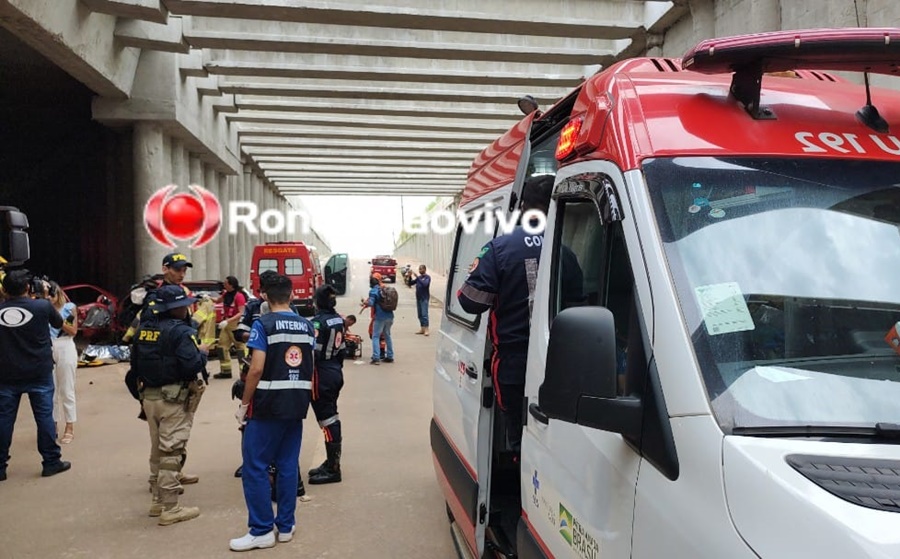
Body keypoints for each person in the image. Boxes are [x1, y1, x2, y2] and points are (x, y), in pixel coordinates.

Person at [457, 175, 554, 453]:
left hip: (514, 362)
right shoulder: (565, 249)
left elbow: (470, 302)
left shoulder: (501, 248)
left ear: (523, 207)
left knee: (518, 433)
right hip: (557, 362)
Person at [230, 274, 314, 551]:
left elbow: (256, 368)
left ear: (265, 296)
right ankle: (286, 526)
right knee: (288, 464)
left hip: (267, 405)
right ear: (291, 295)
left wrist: (244, 404)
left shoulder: (262, 324)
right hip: (297, 403)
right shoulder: (307, 326)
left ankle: (261, 530)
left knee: (255, 466)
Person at [131, 285, 209, 525]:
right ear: (176, 308)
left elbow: (134, 364)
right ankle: (171, 508)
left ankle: (156, 502)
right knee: (171, 453)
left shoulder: (143, 330)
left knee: (157, 450)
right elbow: (191, 366)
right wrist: (203, 353)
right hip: (173, 400)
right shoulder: (181, 332)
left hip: (150, 398)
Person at [0, 271, 69, 481]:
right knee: (44, 418)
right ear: (28, 288)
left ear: (4, 289)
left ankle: (0, 466)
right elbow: (58, 324)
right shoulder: (41, 306)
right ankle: (51, 462)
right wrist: (43, 296)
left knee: (3, 420)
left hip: (6, 373)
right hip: (39, 371)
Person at [307, 284, 346, 485]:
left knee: (327, 419)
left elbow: (313, 352)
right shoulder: (338, 319)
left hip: (320, 373)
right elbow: (343, 350)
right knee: (331, 414)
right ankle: (331, 462)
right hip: (335, 370)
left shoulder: (317, 323)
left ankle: (333, 468)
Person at [49, 281, 78, 444]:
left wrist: (56, 318)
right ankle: (52, 425)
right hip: (47, 346)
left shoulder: (69, 308)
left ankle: (70, 426)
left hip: (65, 344)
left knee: (67, 389)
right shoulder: (41, 308)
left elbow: (73, 331)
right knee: (50, 391)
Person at [213, 275, 248, 379]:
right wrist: (207, 298)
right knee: (221, 347)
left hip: (235, 324)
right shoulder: (225, 294)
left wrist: (228, 321)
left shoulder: (239, 296)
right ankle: (226, 371)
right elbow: (218, 301)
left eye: (225, 283)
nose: (224, 285)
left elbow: (241, 312)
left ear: (231, 285)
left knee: (240, 348)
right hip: (227, 324)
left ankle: (244, 371)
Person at [361, 273, 394, 365]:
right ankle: (390, 356)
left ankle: (376, 357)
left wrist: (365, 302)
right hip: (390, 316)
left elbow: (371, 303)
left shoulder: (373, 291)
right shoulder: (384, 288)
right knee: (387, 335)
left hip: (379, 317)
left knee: (375, 336)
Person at [408, 265, 431, 336]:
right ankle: (422, 328)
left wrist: (417, 277)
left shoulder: (427, 277)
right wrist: (409, 276)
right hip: (418, 298)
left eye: (421, 269)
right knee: (420, 314)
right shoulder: (419, 278)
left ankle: (426, 329)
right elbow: (410, 283)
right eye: (419, 269)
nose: (420, 270)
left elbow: (425, 285)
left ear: (425, 269)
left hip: (424, 298)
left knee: (424, 314)